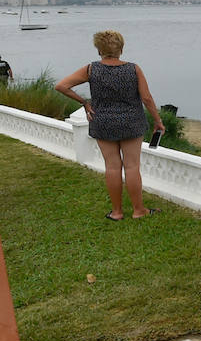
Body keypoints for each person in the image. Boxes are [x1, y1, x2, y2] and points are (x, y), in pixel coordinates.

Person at [54, 30, 165, 220]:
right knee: (132, 167)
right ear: (121, 49)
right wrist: (157, 120)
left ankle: (117, 212)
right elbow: (146, 98)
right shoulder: (133, 69)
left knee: (112, 167)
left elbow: (61, 86)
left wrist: (84, 103)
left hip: (103, 121)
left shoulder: (91, 69)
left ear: (99, 50)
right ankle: (139, 210)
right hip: (131, 121)